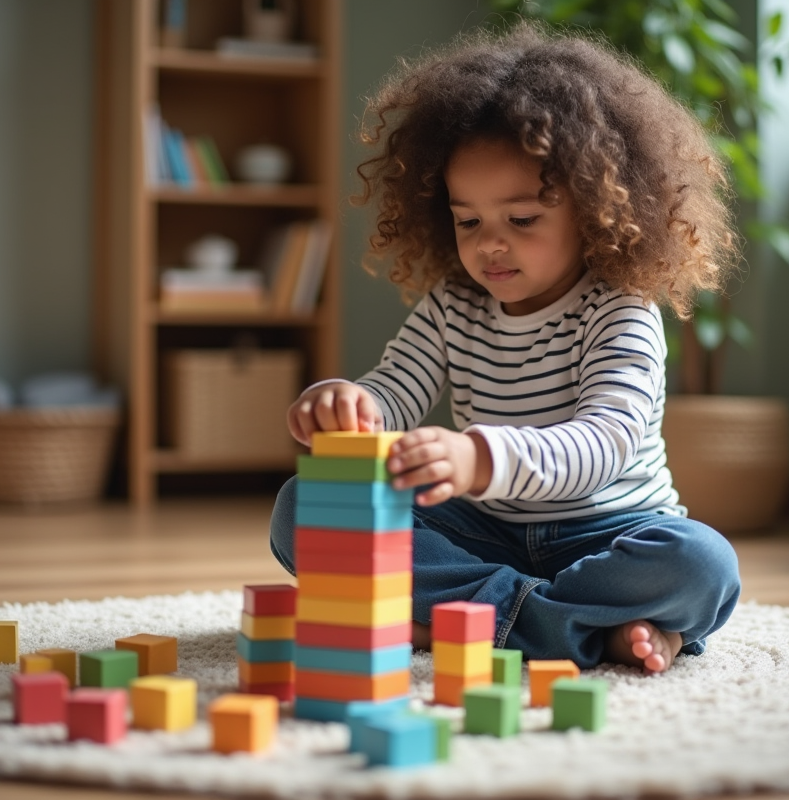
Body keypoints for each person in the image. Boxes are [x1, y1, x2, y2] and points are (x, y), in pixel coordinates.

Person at [270, 22, 741, 673]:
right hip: (482, 533)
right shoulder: (451, 305)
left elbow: (605, 441)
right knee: (306, 508)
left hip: (608, 535)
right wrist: (347, 403)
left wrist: (477, 456)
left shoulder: (621, 311)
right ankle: (571, 628)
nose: (491, 243)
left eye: (522, 220)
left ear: (596, 207)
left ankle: (467, 620)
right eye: (469, 221)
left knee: (702, 564)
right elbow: (393, 391)